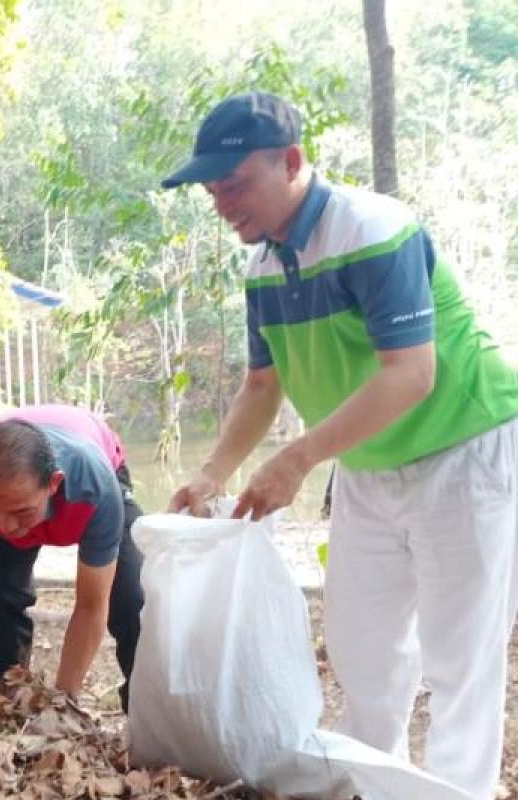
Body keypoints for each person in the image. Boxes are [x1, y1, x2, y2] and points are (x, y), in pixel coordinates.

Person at [162, 91, 518, 800]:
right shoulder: (263, 268)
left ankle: (459, 792)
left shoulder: (373, 232)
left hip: (463, 449)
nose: (222, 202)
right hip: (368, 466)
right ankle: (375, 786)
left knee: (459, 659)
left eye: (234, 183)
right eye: (212, 190)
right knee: (364, 651)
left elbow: (411, 375)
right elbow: (262, 386)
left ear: (291, 161)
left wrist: (298, 459)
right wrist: (210, 473)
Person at [0, 406, 144, 723]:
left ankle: (145, 716)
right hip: (8, 478)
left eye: (21, 513)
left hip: (97, 466)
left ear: (53, 485)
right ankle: (10, 708)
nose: (6, 527)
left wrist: (61, 709)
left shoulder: (94, 487)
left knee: (131, 602)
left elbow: (90, 608)